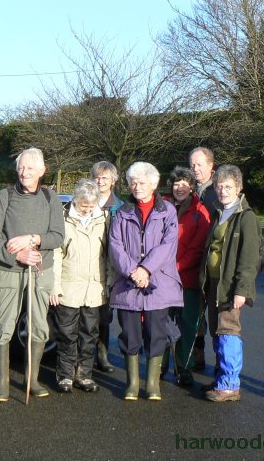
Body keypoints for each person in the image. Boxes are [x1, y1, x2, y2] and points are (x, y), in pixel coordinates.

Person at [0, 147, 65, 402]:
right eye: (21, 167)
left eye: (30, 168)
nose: (24, 172)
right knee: (4, 327)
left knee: (39, 327)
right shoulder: (4, 196)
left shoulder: (50, 197)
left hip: (41, 270)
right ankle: (2, 383)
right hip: (7, 271)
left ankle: (32, 380)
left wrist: (33, 240)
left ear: (42, 171)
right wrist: (16, 256)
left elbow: (58, 236)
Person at [109, 162, 181, 402]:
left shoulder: (168, 210)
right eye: (132, 182)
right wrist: (133, 271)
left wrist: (146, 269)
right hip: (128, 283)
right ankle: (132, 383)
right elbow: (115, 245)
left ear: (154, 184)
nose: (136, 186)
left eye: (141, 182)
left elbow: (168, 245)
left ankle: (152, 383)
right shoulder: (122, 212)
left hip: (158, 282)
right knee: (129, 333)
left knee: (156, 332)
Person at [199, 165, 261, 402]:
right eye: (219, 186)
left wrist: (241, 290)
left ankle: (230, 383)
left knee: (228, 331)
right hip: (214, 282)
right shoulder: (218, 212)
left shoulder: (246, 217)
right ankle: (220, 377)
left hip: (231, 286)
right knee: (216, 330)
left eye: (228, 186)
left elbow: (249, 258)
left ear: (239, 187)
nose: (223, 191)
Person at [50, 179, 109, 394]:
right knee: (67, 334)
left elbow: (108, 255)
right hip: (68, 287)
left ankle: (84, 374)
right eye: (83, 206)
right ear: (75, 201)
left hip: (94, 288)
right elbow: (56, 254)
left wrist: (108, 283)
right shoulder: (62, 219)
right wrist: (54, 286)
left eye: (91, 207)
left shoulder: (104, 219)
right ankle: (64, 375)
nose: (86, 211)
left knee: (89, 334)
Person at [163, 166, 211, 387]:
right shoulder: (161, 207)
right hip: (161, 278)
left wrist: (176, 269)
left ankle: (184, 366)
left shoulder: (200, 211)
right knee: (160, 323)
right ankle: (160, 364)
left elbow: (197, 248)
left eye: (184, 184)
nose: (179, 188)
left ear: (191, 187)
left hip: (187, 279)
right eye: (176, 183)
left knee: (187, 324)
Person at [90, 161, 122, 373]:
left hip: (108, 267)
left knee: (103, 315)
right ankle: (84, 357)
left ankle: (102, 356)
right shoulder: (84, 201)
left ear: (113, 180)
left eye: (104, 177)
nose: (100, 181)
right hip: (86, 263)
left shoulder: (120, 207)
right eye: (97, 177)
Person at [189, 146, 218, 370]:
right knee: (195, 312)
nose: (195, 168)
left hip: (214, 263)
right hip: (193, 262)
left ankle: (222, 365)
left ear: (211, 165)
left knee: (218, 315)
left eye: (199, 164)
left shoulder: (219, 190)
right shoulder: (190, 191)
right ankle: (197, 356)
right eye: (192, 164)